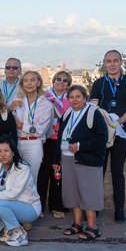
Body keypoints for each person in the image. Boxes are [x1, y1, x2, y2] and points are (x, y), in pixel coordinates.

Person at [90, 49, 126, 223]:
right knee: (98, 172)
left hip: (122, 133)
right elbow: (93, 108)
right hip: (101, 135)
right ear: (104, 63)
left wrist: (116, 123)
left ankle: (119, 209)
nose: (112, 64)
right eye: (108, 61)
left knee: (117, 172)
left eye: (115, 61)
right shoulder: (98, 84)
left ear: (121, 62)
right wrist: (106, 124)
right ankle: (94, 207)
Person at [53, 85, 108, 240]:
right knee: (73, 193)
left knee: (88, 193)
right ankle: (77, 224)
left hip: (86, 159)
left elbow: (101, 138)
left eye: (78, 96)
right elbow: (60, 137)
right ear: (68, 99)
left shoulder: (93, 113)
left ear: (85, 98)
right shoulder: (68, 113)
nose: (75, 100)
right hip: (67, 159)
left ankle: (93, 227)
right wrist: (56, 159)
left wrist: (80, 146)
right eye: (71, 97)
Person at [38, 71, 72, 218]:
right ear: (53, 80)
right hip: (45, 138)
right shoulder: (44, 97)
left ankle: (57, 206)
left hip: (63, 140)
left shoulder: (71, 99)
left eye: (65, 80)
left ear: (68, 84)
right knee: (42, 173)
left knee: (59, 173)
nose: (61, 82)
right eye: (59, 79)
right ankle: (38, 206)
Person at [11, 70, 53, 184]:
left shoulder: (46, 104)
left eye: (32, 80)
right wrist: (11, 107)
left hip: (33, 144)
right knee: (15, 180)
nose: (29, 83)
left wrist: (20, 125)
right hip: (16, 143)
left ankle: (31, 202)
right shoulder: (17, 99)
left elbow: (40, 130)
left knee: (31, 180)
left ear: (38, 83)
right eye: (26, 81)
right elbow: (5, 116)